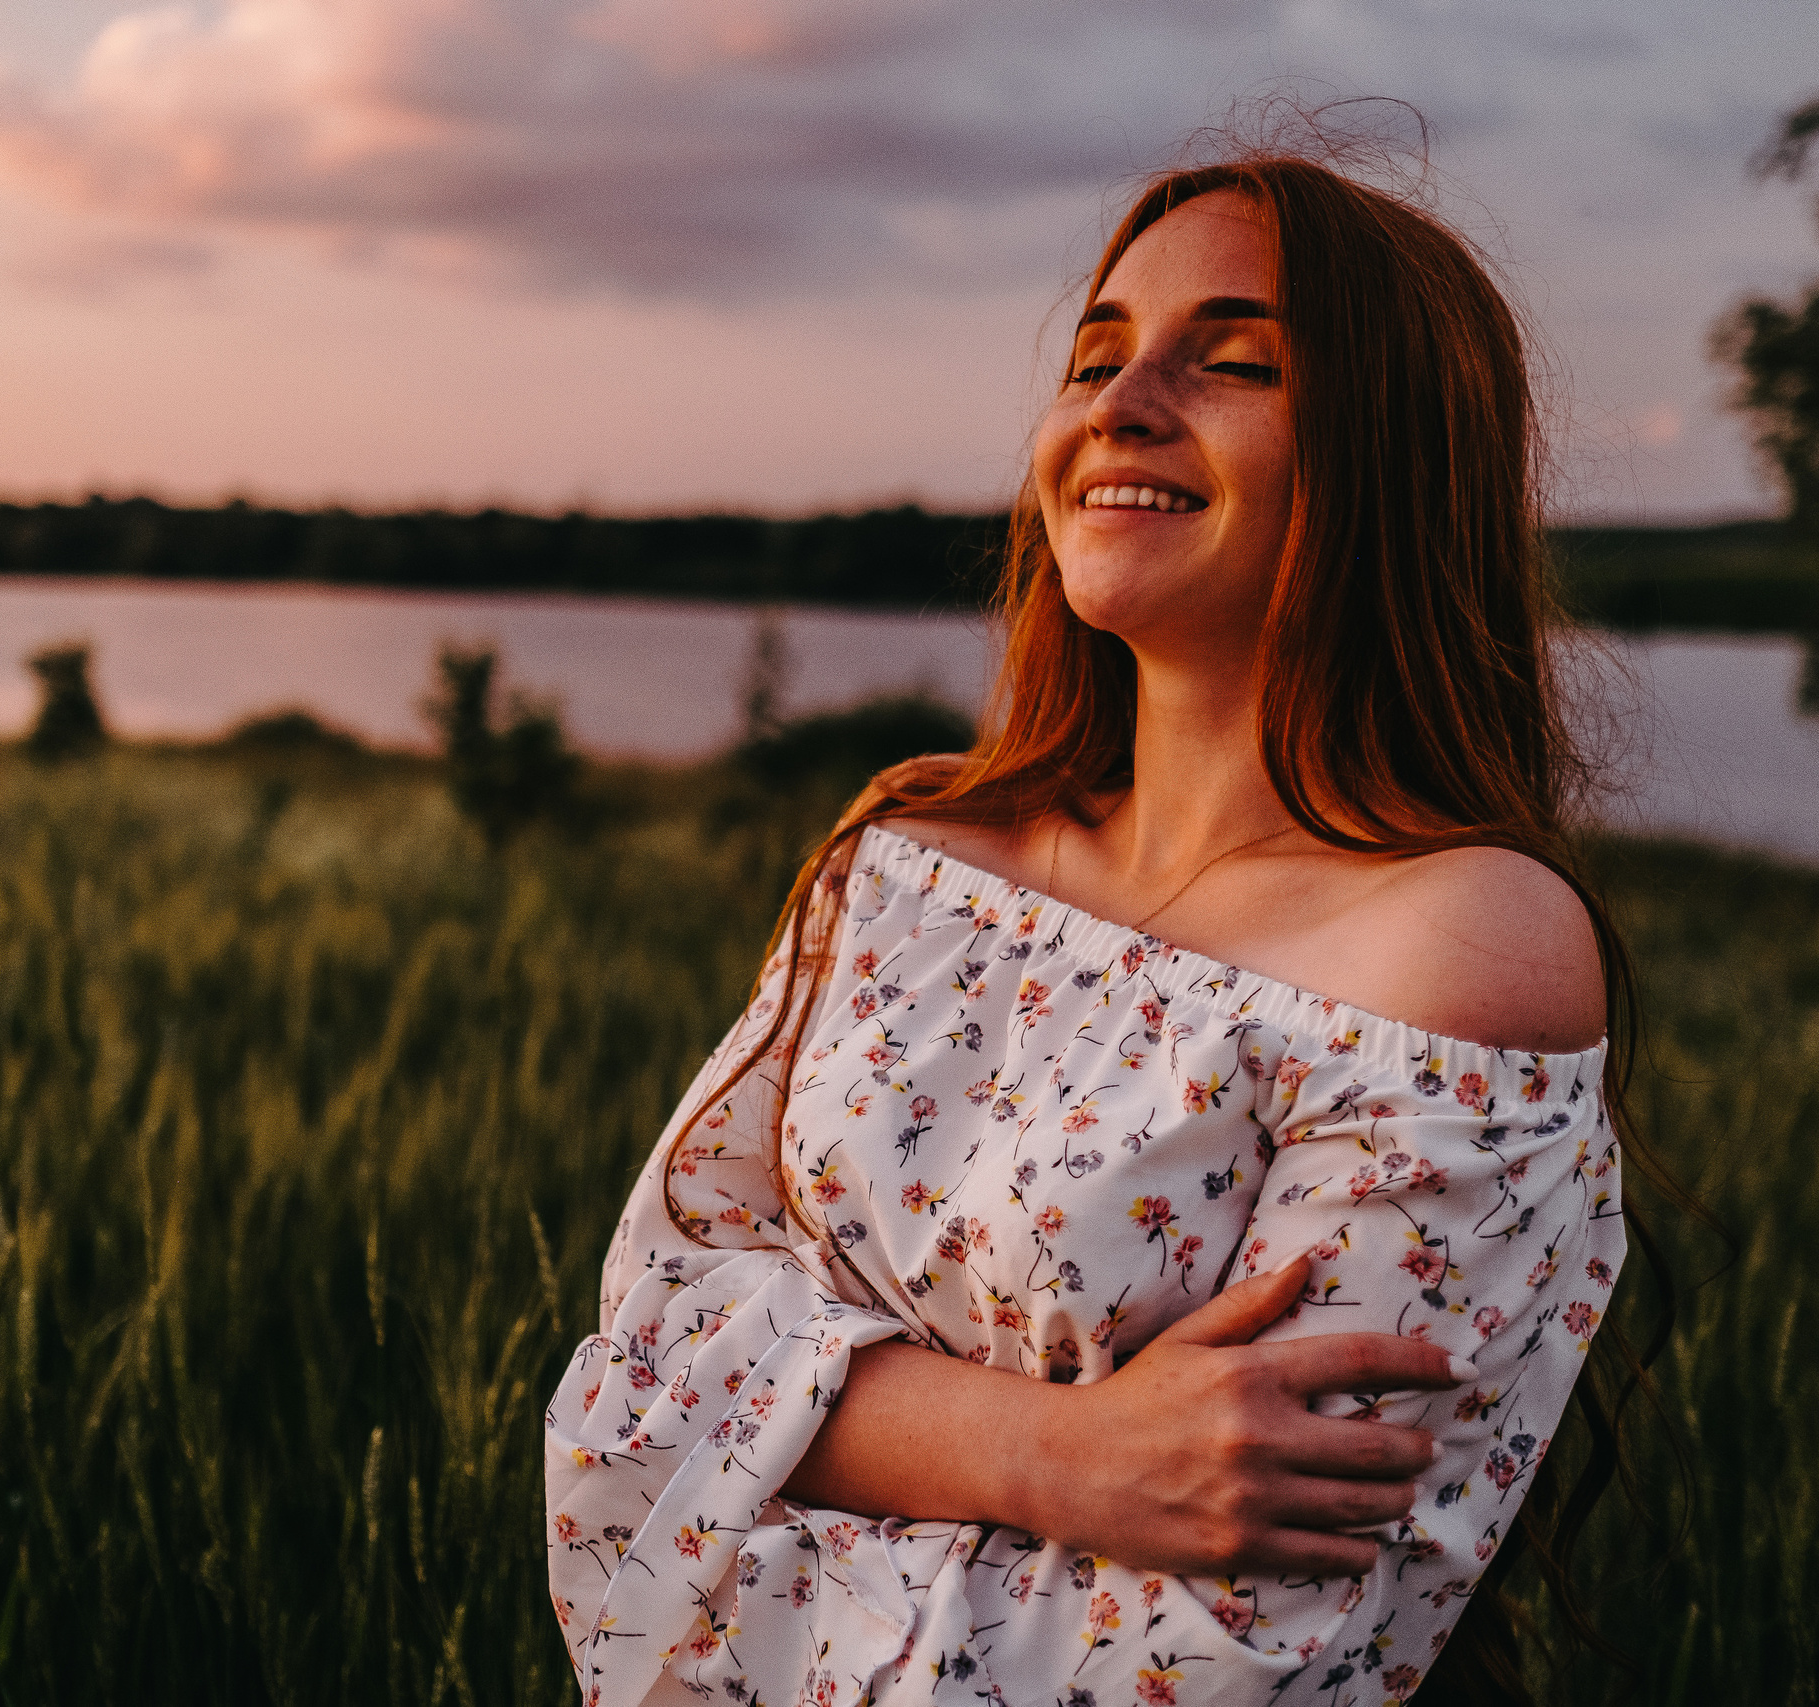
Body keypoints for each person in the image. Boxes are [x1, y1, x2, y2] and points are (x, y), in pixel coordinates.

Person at [544, 155, 1648, 1707]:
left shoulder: (1452, 948)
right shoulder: (911, 864)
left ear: (1400, 455)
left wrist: (803, 1444)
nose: (1122, 404)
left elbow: (1237, 1648)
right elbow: (639, 1373)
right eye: (1094, 358)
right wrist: (1057, 1454)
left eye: (1237, 362)